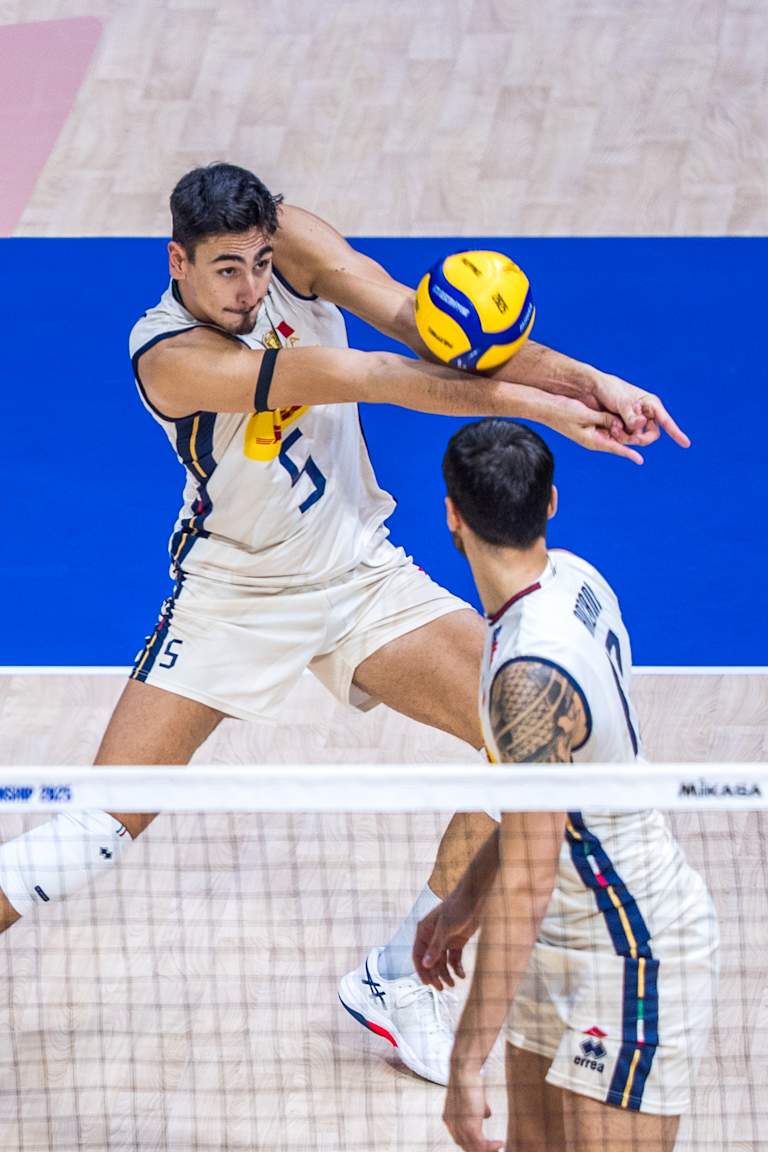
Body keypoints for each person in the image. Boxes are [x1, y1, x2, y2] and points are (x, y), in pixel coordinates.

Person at [0, 164, 689, 1088]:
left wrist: (593, 380)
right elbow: (372, 375)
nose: (250, 288)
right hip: (237, 595)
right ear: (178, 262)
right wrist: (548, 410)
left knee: (530, 750)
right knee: (93, 830)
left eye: (259, 263)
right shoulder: (169, 356)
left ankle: (399, 977)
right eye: (227, 271)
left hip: (359, 570)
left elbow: (423, 329)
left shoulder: (292, 244)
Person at [413, 418, 718, 1148]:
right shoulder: (574, 579)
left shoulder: (528, 675)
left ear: (451, 514)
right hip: (559, 937)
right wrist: (464, 898)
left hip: (629, 946)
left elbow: (528, 880)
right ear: (550, 502)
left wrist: (463, 1063)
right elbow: (545, 807)